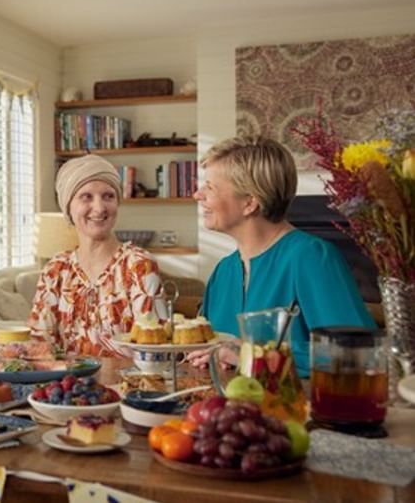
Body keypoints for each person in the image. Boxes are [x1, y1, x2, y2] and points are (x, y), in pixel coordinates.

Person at [186, 135, 375, 376]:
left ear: (250, 203)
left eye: (209, 187)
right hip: (226, 407)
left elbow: (356, 354)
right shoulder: (223, 271)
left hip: (297, 409)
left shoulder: (312, 257)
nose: (197, 195)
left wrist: (252, 355)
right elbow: (216, 350)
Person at [27, 154, 164, 356]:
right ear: (68, 208)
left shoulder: (139, 266)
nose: (99, 208)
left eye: (108, 196)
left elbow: (155, 351)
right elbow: (39, 347)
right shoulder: (55, 271)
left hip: (130, 386)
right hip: (68, 386)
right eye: (86, 197)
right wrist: (7, 347)